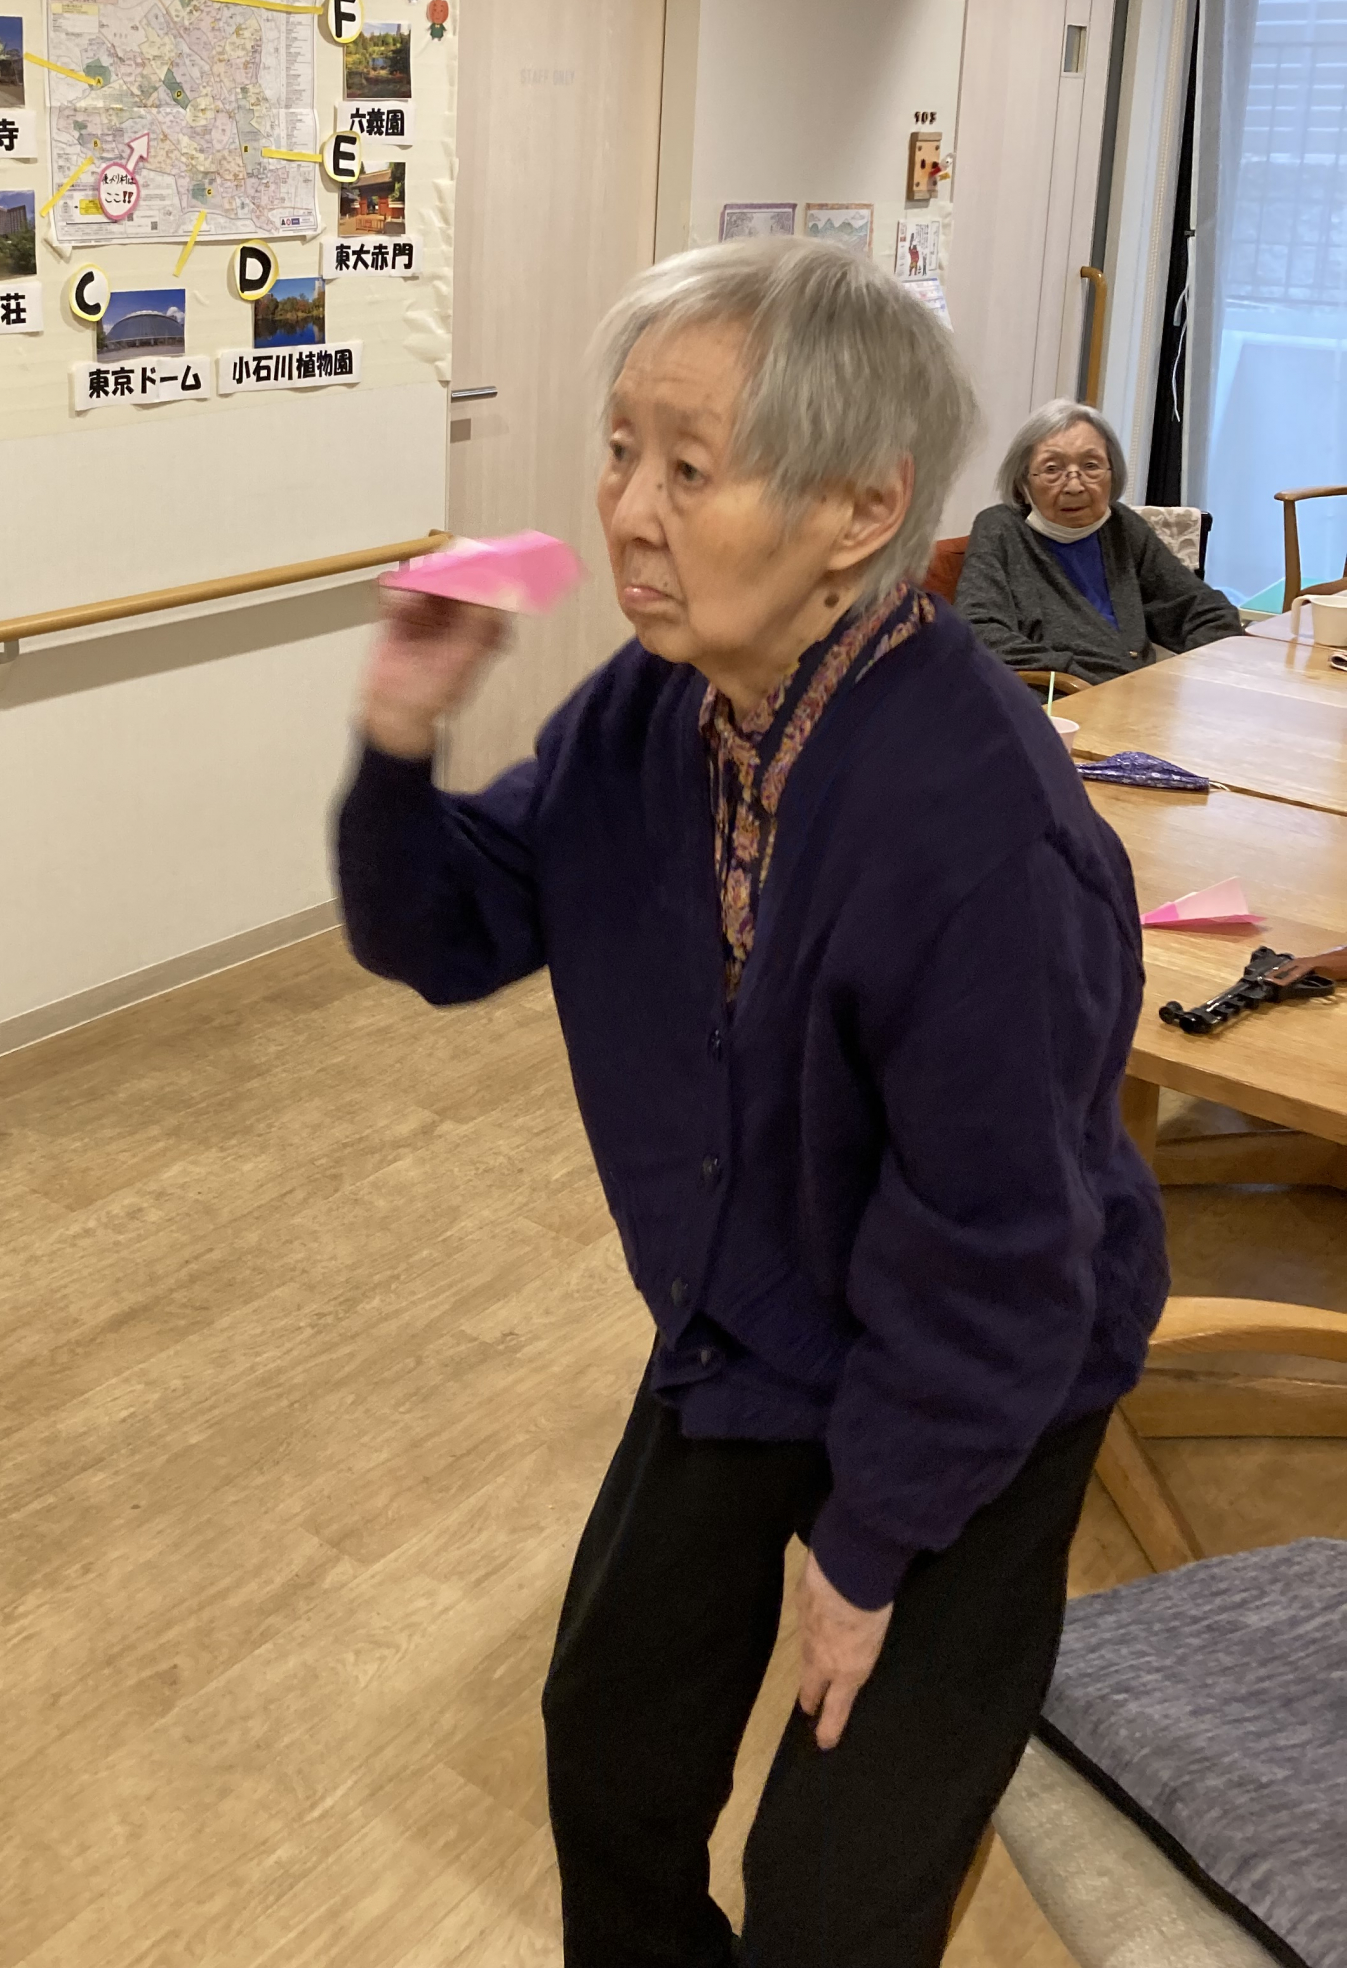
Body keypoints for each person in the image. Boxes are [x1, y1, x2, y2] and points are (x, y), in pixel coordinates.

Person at [335, 241, 1168, 1968]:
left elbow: (1001, 1253)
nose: (628, 511)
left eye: (689, 468)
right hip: (754, 1317)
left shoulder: (981, 835)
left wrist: (867, 1552)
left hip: (981, 1377)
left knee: (833, 1889)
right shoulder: (654, 715)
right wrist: (400, 743)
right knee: (612, 1746)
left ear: (862, 510)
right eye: (619, 452)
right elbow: (452, 928)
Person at [958, 400, 1245, 685]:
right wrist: (1074, 675)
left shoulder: (1121, 526)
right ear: (1023, 483)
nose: (1074, 486)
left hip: (1140, 692)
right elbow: (979, 632)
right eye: (1052, 469)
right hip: (1057, 697)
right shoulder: (1000, 529)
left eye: (1091, 466)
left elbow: (1203, 610)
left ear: (1112, 474)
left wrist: (1190, 674)